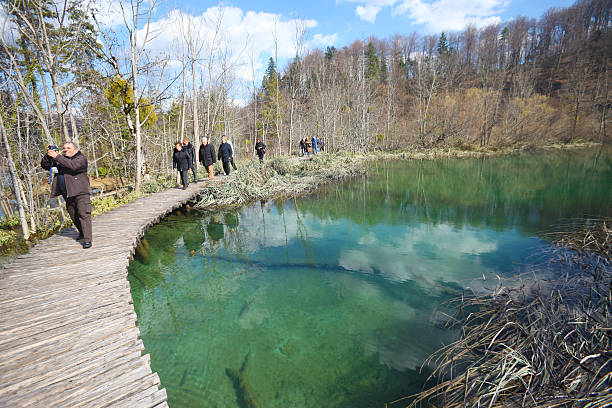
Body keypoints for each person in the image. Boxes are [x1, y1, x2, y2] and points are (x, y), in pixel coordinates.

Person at [41, 142, 93, 249]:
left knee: (84, 214)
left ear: (76, 149)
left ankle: (87, 240)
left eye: (68, 148)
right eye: (64, 148)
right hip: (67, 193)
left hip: (81, 192)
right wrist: (48, 154)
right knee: (73, 215)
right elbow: (45, 165)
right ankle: (82, 233)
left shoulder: (81, 159)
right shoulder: (61, 159)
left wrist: (57, 156)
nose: (66, 150)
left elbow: (73, 166)